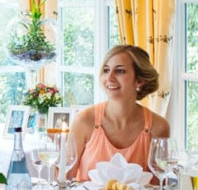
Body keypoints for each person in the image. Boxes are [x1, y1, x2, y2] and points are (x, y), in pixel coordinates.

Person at [68, 45, 170, 181]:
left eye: (120, 71)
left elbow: (159, 187)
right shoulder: (84, 120)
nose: (109, 78)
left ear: (139, 80)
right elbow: (65, 180)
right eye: (106, 70)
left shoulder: (158, 127)